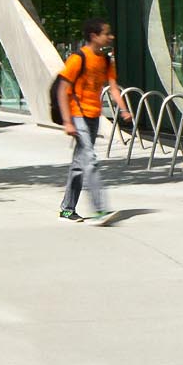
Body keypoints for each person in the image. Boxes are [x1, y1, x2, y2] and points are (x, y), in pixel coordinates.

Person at [56, 19, 130, 222]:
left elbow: (113, 87)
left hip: (93, 116)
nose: (111, 36)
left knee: (80, 164)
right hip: (77, 115)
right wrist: (67, 121)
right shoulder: (78, 58)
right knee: (90, 161)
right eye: (107, 33)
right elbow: (62, 90)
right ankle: (100, 209)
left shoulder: (106, 60)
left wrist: (123, 109)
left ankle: (67, 208)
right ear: (94, 36)